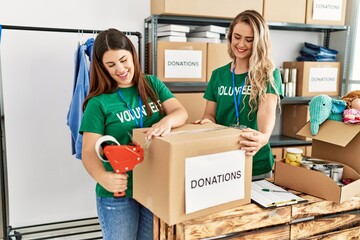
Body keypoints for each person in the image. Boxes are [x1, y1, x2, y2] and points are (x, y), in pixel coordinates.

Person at [80, 28, 188, 240]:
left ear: (132, 54)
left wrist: (167, 121)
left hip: (152, 186)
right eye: (111, 65)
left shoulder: (151, 84)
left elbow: (181, 112)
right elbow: (88, 152)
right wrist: (103, 177)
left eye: (123, 60)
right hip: (118, 193)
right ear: (102, 67)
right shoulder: (98, 103)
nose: (120, 69)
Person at [193, 10, 283, 180]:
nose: (241, 44)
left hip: (255, 163)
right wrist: (207, 122)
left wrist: (262, 138)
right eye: (237, 37)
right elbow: (210, 114)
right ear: (230, 37)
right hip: (222, 162)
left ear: (259, 42)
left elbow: (266, 114)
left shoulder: (269, 75)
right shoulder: (218, 75)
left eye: (249, 40)